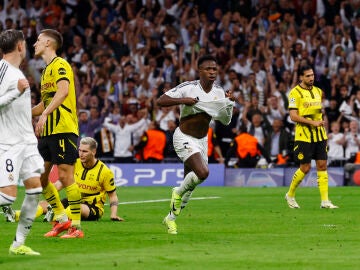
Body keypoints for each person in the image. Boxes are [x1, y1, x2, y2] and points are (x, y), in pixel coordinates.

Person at [156, 55, 235, 234]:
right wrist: (183, 101)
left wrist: (230, 104)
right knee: (203, 172)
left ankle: (170, 219)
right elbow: (160, 101)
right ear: (199, 71)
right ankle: (176, 191)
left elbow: (226, 121)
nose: (212, 72)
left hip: (202, 141)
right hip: (183, 137)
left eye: (214, 69)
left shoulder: (219, 92)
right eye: (208, 69)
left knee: (190, 186)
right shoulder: (188, 88)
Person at [32, 29, 83, 238]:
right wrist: (25, 113)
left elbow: (62, 92)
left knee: (65, 176)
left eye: (37, 40)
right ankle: (62, 220)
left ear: (47, 43)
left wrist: (43, 115)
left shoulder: (61, 64)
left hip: (63, 128)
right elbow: (47, 101)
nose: (34, 44)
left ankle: (76, 227)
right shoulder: (46, 71)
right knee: (41, 178)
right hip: (48, 131)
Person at [6, 137, 124, 223]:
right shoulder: (74, 163)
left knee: (77, 208)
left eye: (85, 151)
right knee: (44, 205)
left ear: (93, 152)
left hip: (92, 208)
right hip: (73, 200)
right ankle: (15, 215)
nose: (81, 154)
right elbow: (60, 183)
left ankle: (56, 216)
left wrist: (114, 215)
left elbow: (112, 196)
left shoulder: (105, 171)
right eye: (80, 150)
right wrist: (51, 198)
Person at [0, 29, 43, 255]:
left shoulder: (17, 72)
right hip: (8, 143)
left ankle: (18, 244)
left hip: (26, 142)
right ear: (19, 46)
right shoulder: (3, 69)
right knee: (6, 196)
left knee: (35, 190)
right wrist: (15, 93)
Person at [285, 65, 338, 209]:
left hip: (320, 134)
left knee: (322, 165)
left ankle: (325, 201)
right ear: (301, 77)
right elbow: (293, 116)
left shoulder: (318, 91)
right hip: (304, 136)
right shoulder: (294, 93)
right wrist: (312, 122)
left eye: (312, 75)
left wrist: (320, 122)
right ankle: (290, 195)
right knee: (306, 167)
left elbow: (319, 112)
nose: (311, 78)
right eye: (307, 76)